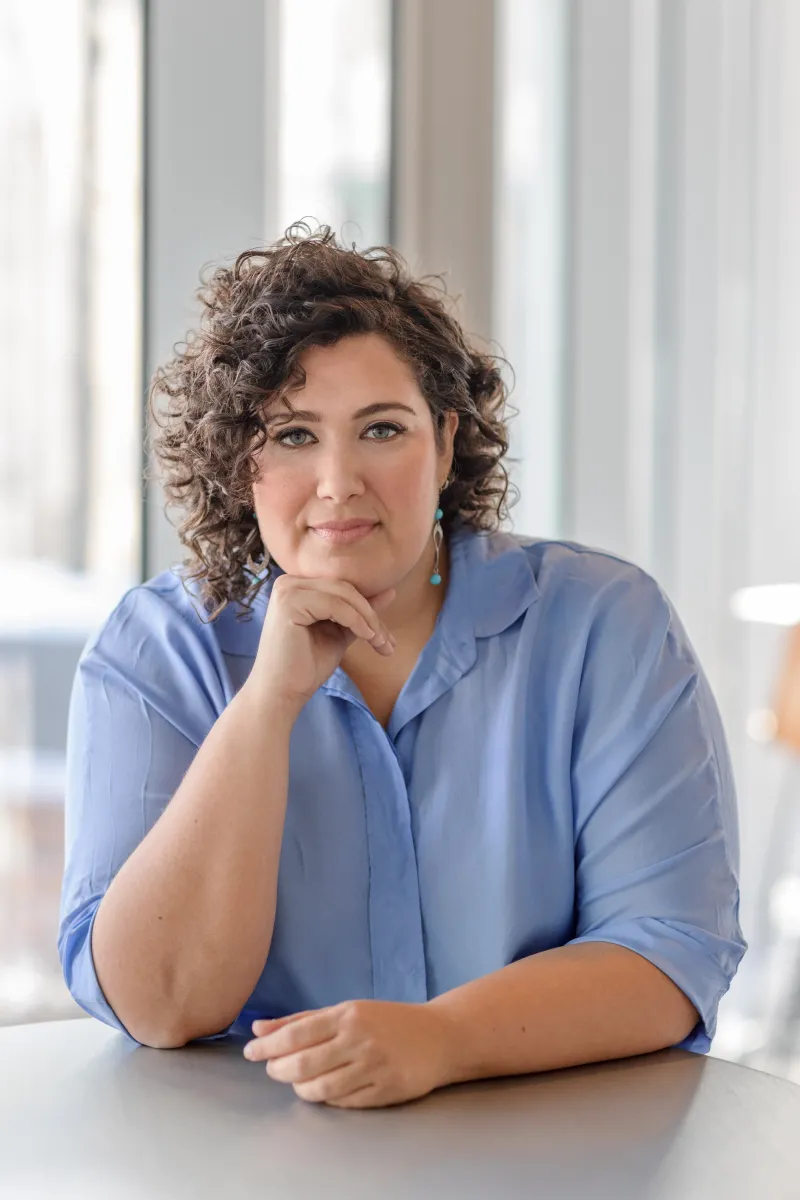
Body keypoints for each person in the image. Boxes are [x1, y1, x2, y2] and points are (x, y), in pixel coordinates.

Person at [58, 224, 746, 1110]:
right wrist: (268, 702)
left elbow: (670, 951)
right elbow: (159, 1004)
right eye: (294, 435)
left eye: (381, 428)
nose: (340, 481)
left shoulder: (604, 626)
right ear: (241, 462)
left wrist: (444, 1039)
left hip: (556, 1162)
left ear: (447, 442)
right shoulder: (154, 653)